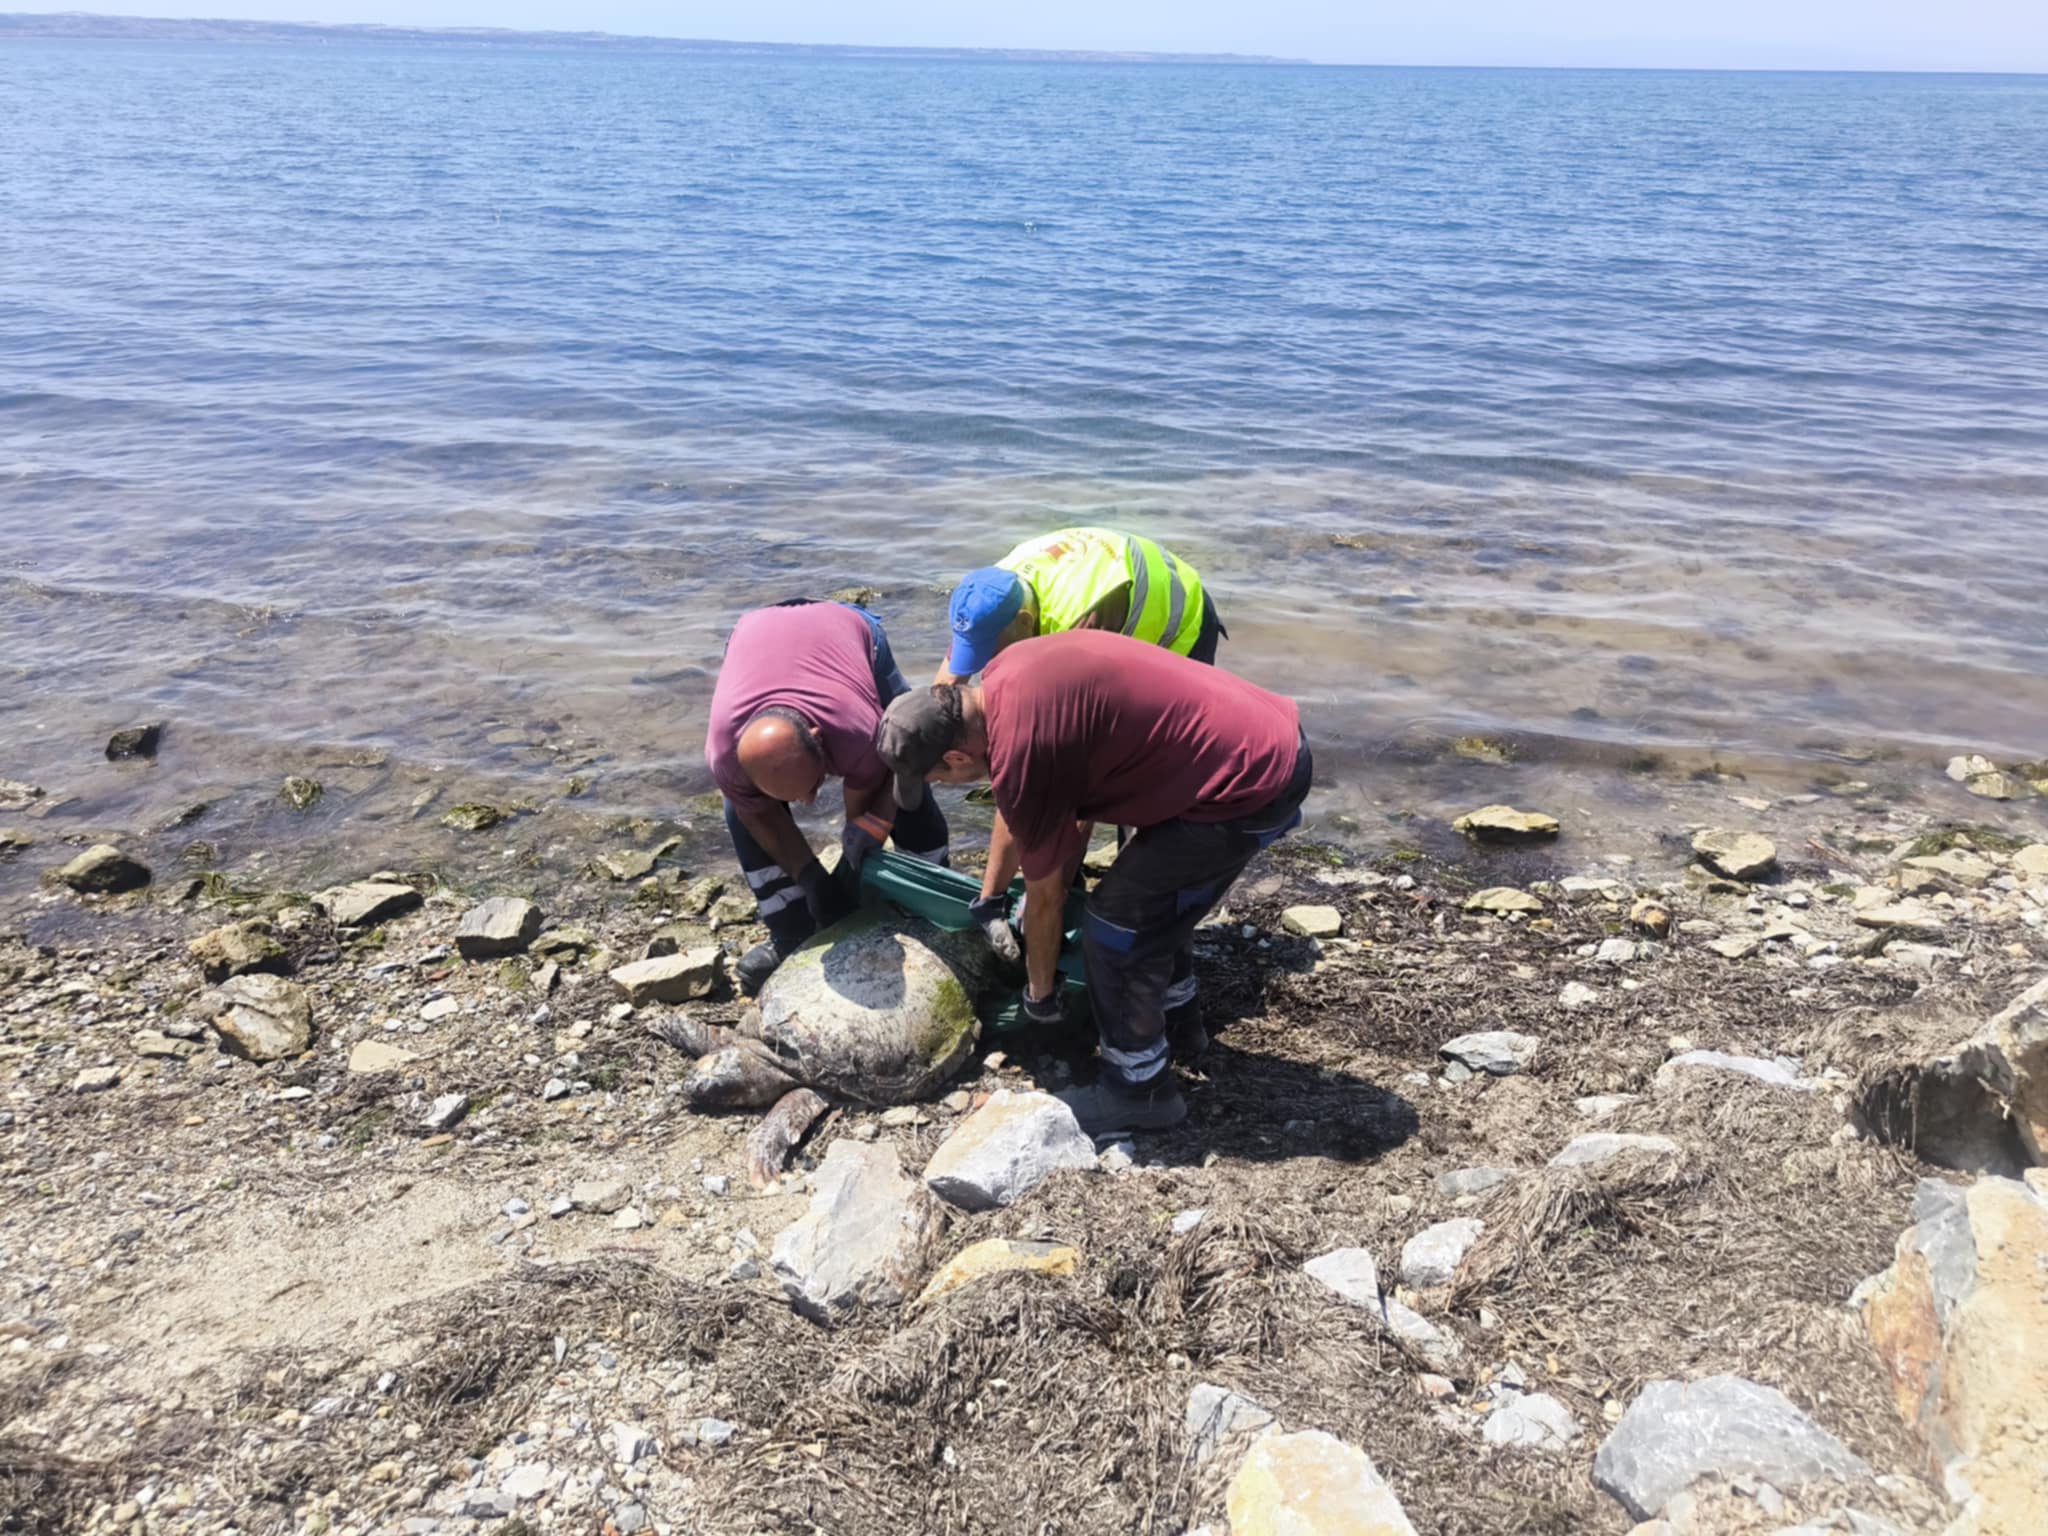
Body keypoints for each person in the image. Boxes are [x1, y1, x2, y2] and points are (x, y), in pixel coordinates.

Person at [876, 630, 1311, 1137]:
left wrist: (1040, 998)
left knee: (1115, 928)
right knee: (1154, 899)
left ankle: (1140, 1088)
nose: (944, 788)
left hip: (1249, 785)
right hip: (1262, 735)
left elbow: (1045, 901)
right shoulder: (1005, 677)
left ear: (954, 758)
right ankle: (1181, 1025)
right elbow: (1027, 816)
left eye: (936, 782)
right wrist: (990, 898)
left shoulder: (1024, 755)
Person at [705, 600, 949, 994]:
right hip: (754, 634)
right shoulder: (725, 755)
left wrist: (872, 825)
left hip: (849, 628)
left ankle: (933, 896)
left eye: (814, 785)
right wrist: (810, 875)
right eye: (795, 796)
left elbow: (896, 773)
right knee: (741, 808)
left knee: (909, 750)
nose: (808, 802)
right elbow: (759, 815)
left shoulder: (856, 730)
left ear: (820, 739)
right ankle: (790, 932)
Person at [934, 526, 1224, 685]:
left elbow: (1070, 714)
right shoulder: (993, 588)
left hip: (1185, 615)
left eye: (991, 651)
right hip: (1115, 569)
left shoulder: (1078, 622)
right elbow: (948, 679)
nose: (988, 662)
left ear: (1025, 620)